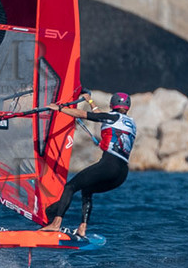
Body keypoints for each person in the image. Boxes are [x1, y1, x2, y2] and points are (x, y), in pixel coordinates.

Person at [39, 92, 136, 238]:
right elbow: (98, 114)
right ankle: (82, 227)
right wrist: (90, 100)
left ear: (112, 104)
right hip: (122, 173)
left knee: (70, 187)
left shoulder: (111, 117)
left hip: (109, 165)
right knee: (87, 190)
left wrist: (59, 109)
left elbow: (84, 115)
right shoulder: (130, 122)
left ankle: (55, 224)